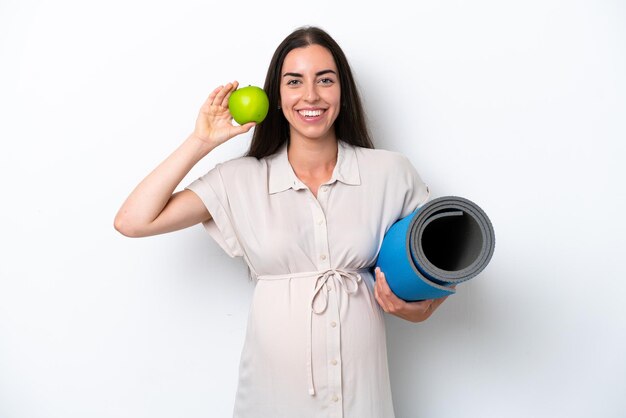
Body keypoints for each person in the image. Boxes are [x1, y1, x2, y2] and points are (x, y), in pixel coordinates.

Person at [114, 25, 451, 418]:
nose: (311, 95)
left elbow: (443, 257)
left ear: (342, 92)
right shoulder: (239, 179)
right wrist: (201, 142)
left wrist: (423, 308)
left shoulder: (390, 172)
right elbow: (133, 221)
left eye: (325, 80)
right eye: (295, 82)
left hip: (362, 396)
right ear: (276, 96)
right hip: (272, 396)